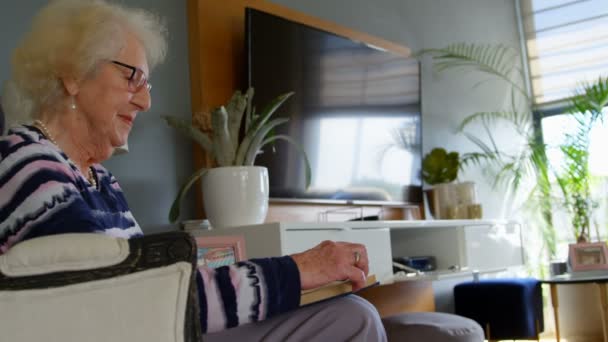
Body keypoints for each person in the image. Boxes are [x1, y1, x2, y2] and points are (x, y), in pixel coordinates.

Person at [0, 1, 386, 340]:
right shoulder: (30, 165)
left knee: (349, 314)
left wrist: (295, 273)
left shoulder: (99, 179)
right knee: (351, 319)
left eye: (147, 83)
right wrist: (298, 270)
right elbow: (123, 302)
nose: (147, 100)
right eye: (131, 76)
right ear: (72, 73)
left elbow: (150, 290)